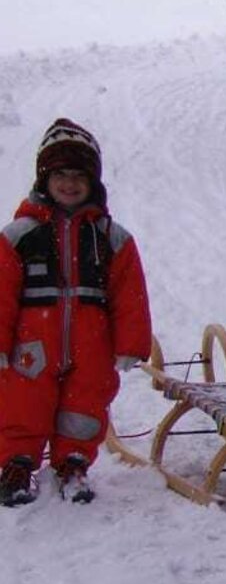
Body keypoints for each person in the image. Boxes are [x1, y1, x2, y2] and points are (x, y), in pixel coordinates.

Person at [0, 118, 152, 506]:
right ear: (44, 178)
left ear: (93, 181)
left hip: (92, 345)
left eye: (79, 176)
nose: (69, 183)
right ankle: (17, 465)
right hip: (32, 346)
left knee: (84, 404)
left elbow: (128, 294)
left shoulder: (111, 238)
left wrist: (131, 343)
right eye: (60, 174)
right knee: (23, 403)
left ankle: (73, 463)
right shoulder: (19, 235)